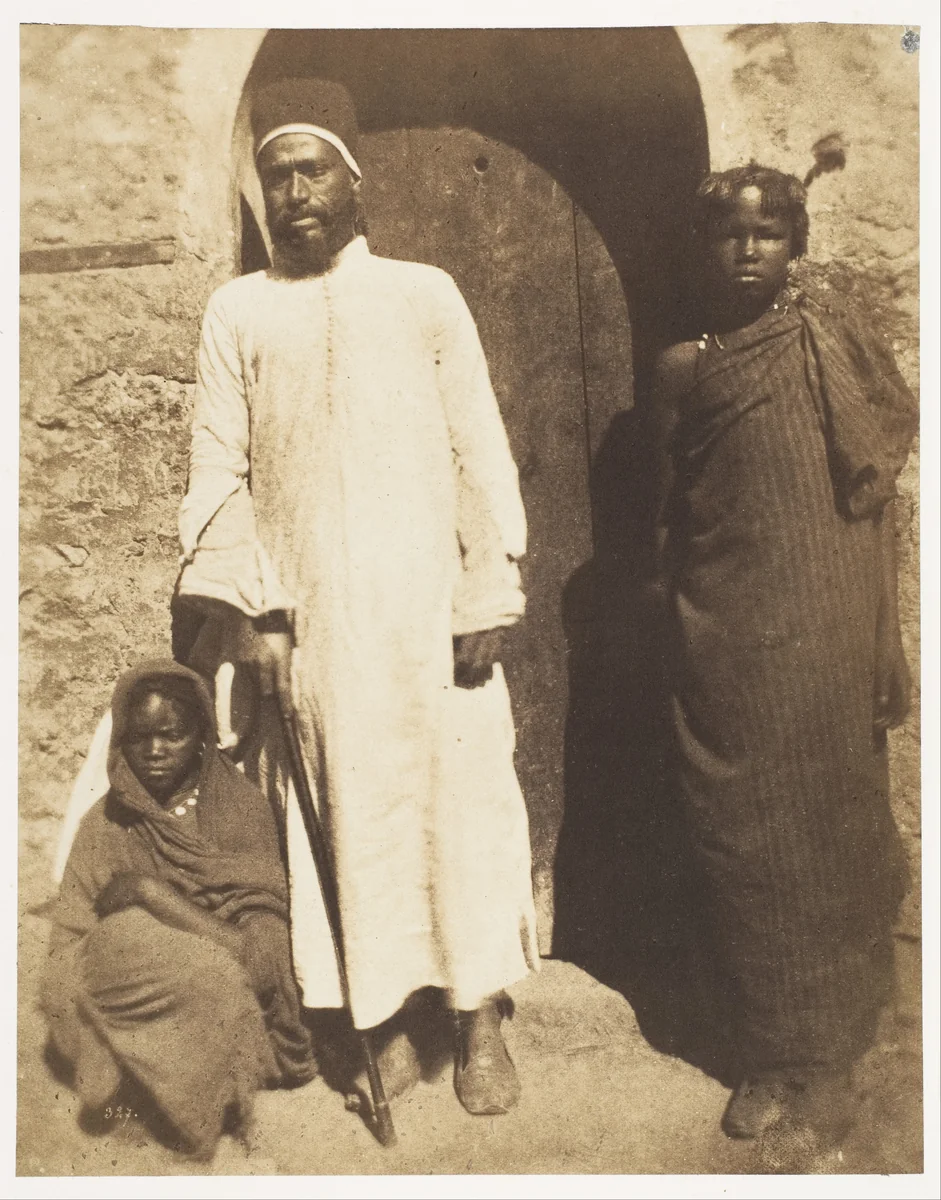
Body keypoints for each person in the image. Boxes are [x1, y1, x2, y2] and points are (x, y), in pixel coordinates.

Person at [174, 77, 538, 1116]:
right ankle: (378, 1021)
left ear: (352, 179)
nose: (294, 192)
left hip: (430, 618)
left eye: (312, 168)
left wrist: (484, 588)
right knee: (344, 813)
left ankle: (476, 1021)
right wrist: (260, 611)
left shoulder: (422, 295)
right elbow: (219, 472)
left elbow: (477, 445)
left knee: (458, 804)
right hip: (314, 625)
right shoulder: (236, 311)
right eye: (276, 173)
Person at [649, 164, 917, 1151]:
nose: (748, 248)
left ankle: (834, 1050)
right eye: (728, 234)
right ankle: (768, 1055)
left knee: (831, 827)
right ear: (702, 247)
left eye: (768, 232)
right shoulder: (683, 367)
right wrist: (683, 624)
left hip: (827, 629)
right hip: (726, 636)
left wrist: (878, 634)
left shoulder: (831, 344)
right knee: (745, 841)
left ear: (793, 242)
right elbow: (669, 515)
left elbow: (872, 492)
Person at [40, 661, 316, 1160]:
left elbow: (260, 954)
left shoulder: (242, 811)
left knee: (206, 974)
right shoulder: (102, 825)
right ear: (120, 740)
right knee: (125, 937)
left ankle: (182, 1085)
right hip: (127, 999)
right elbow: (67, 950)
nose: (154, 752)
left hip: (231, 1004)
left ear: (204, 737)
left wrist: (151, 893)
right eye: (139, 737)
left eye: (173, 735)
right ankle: (127, 1061)